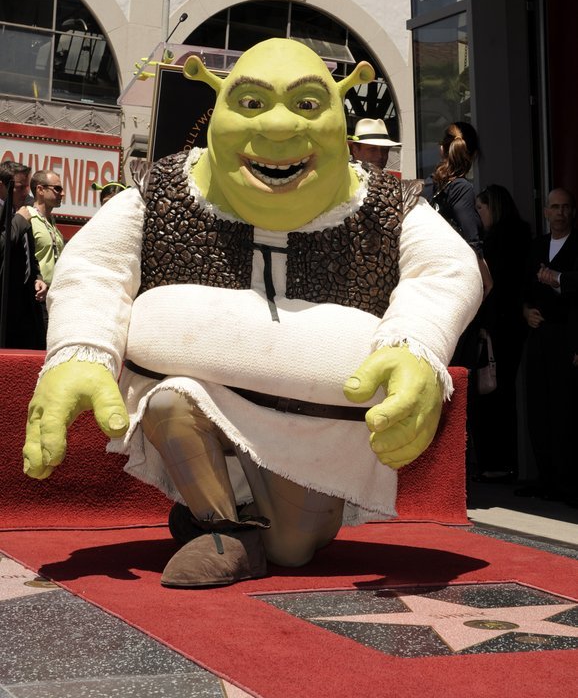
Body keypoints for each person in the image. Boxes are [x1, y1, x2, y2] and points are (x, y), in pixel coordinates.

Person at [23, 38, 482, 588]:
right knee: (169, 400)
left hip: (316, 426)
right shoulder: (164, 190)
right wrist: (81, 350)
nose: (280, 126)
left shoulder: (385, 204)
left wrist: (417, 345)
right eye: (251, 103)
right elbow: (95, 267)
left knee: (293, 548)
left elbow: (447, 268)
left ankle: (232, 514)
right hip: (199, 398)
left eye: (307, 104)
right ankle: (223, 527)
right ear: (219, 107)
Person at [517, 187, 578, 506]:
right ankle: (546, 479)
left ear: (572, 211)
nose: (560, 213)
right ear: (545, 212)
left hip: (566, 337)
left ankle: (567, 483)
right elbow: (524, 288)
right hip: (538, 336)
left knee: (565, 410)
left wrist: (557, 280)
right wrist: (526, 312)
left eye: (565, 207)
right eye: (555, 207)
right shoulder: (537, 246)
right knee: (538, 408)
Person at [468, 184, 532, 482]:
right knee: (505, 390)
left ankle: (495, 460)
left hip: (497, 325)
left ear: (491, 207)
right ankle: (509, 460)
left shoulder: (494, 241)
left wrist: (484, 324)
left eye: (480, 209)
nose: (478, 215)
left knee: (491, 392)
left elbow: (492, 286)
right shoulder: (522, 235)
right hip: (515, 324)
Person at [421, 121, 492, 368]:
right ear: (473, 154)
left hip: (428, 282)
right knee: (460, 366)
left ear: (442, 149)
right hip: (454, 285)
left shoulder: (427, 187)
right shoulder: (462, 188)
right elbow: (472, 241)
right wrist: (488, 281)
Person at [0, 162, 48, 349]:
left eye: (27, 187)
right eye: (20, 187)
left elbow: (30, 253)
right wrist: (19, 220)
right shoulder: (19, 215)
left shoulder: (22, 211)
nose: (26, 193)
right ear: (2, 186)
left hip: (25, 306)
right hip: (5, 308)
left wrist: (38, 277)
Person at [28, 170, 65, 331]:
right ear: (40, 190)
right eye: (57, 189)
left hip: (54, 298)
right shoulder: (28, 217)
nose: (62, 193)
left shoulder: (51, 222)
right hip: (36, 298)